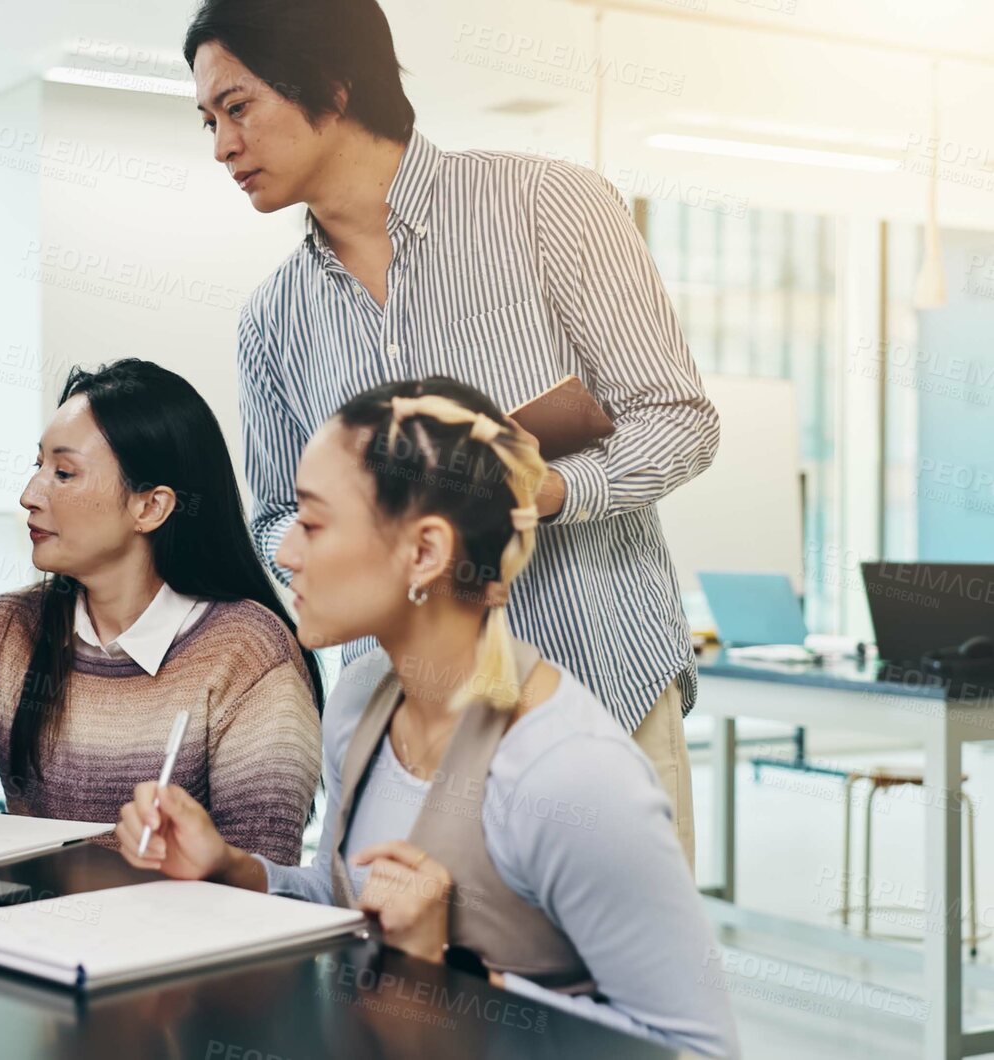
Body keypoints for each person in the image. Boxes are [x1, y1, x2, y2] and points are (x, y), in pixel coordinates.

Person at [183, 0, 717, 864]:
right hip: (406, 726)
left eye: (236, 107)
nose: (220, 146)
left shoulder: (548, 206)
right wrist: (361, 540)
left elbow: (678, 418)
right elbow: (275, 511)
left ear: (332, 81)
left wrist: (554, 489)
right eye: (207, 120)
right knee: (412, 985)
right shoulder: (271, 321)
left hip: (600, 686)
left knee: (610, 991)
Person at [116, 378, 738, 1057]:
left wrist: (451, 980)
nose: (286, 551)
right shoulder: (360, 699)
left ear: (425, 553)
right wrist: (233, 870)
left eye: (313, 523)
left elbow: (695, 1050)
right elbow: (346, 901)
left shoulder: (568, 775)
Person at [0, 360, 322, 868]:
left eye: (64, 473)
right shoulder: (9, 631)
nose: (29, 495)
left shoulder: (248, 654)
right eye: (37, 465)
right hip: (26, 944)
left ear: (150, 507)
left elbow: (260, 879)